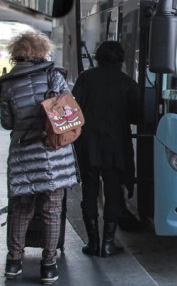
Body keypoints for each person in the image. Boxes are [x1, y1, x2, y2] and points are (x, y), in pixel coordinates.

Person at [0, 31, 77, 285]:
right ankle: (48, 266)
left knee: (20, 210)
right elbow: (69, 115)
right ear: (41, 51)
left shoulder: (7, 83)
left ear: (16, 54)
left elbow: (7, 123)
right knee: (51, 211)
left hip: (23, 155)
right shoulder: (54, 76)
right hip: (54, 154)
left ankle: (13, 262)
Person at [71, 41, 141, 258]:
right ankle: (108, 244)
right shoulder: (128, 83)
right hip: (116, 146)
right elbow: (137, 117)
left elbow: (73, 110)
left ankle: (92, 243)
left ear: (98, 57)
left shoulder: (85, 78)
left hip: (88, 143)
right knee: (112, 192)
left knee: (89, 192)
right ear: (120, 60)